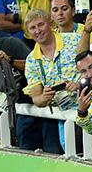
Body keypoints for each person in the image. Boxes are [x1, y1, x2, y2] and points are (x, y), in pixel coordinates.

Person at [23, 9, 79, 153]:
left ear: (51, 24)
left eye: (40, 25)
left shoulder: (75, 40)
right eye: (32, 28)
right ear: (28, 33)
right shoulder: (31, 60)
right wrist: (44, 97)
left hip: (86, 109)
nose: (37, 31)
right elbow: (36, 98)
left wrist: (79, 84)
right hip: (58, 117)